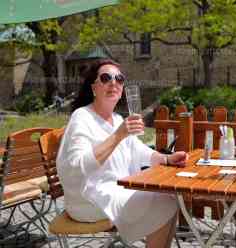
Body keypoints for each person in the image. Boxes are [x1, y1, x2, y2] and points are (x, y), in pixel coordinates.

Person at [56, 59, 187, 247]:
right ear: (94, 87)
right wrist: (119, 134)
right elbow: (78, 166)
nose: (113, 82)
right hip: (87, 199)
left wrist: (167, 158)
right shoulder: (82, 117)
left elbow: (138, 151)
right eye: (106, 77)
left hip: (112, 190)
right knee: (163, 201)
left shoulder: (117, 118)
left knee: (169, 197)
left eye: (119, 78)